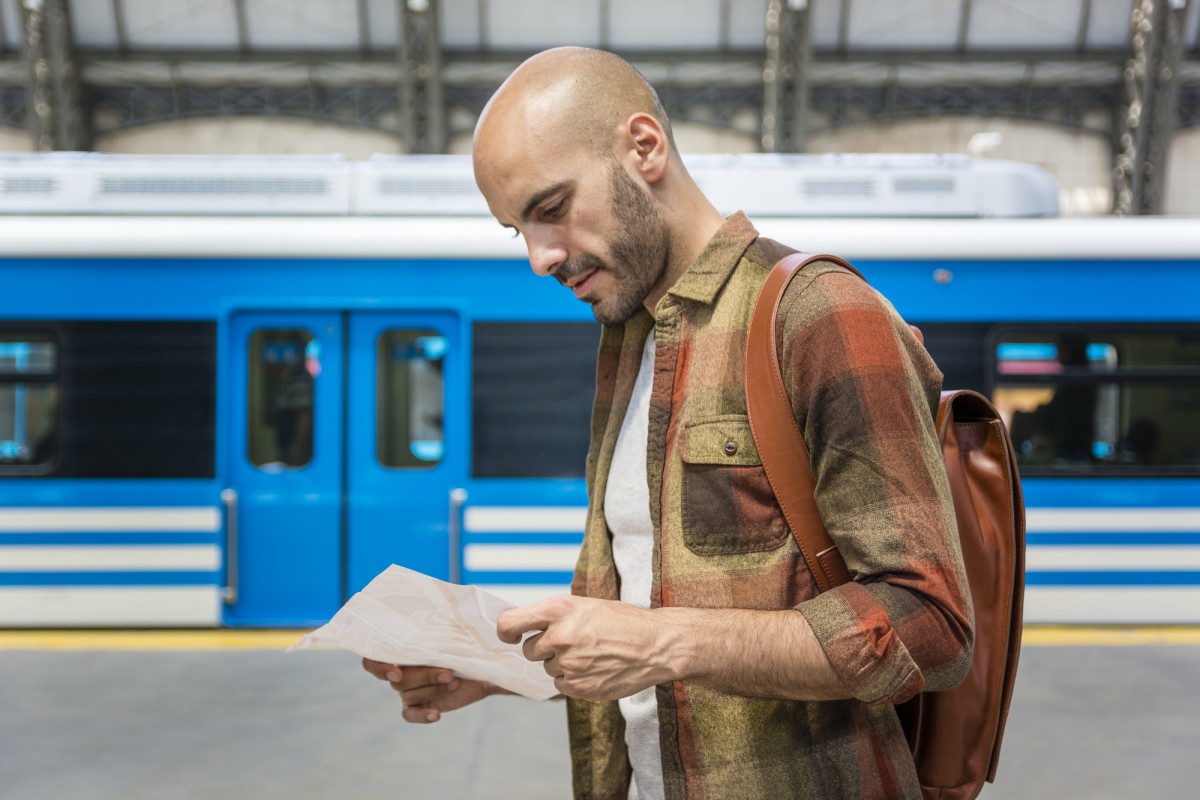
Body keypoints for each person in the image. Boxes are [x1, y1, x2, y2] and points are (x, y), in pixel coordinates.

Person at [363, 47, 973, 800]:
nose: (539, 258)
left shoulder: (818, 313)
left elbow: (933, 626)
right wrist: (498, 667)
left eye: (551, 208)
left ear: (644, 148)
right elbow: (654, 628)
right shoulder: (629, 343)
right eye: (517, 229)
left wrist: (662, 641)